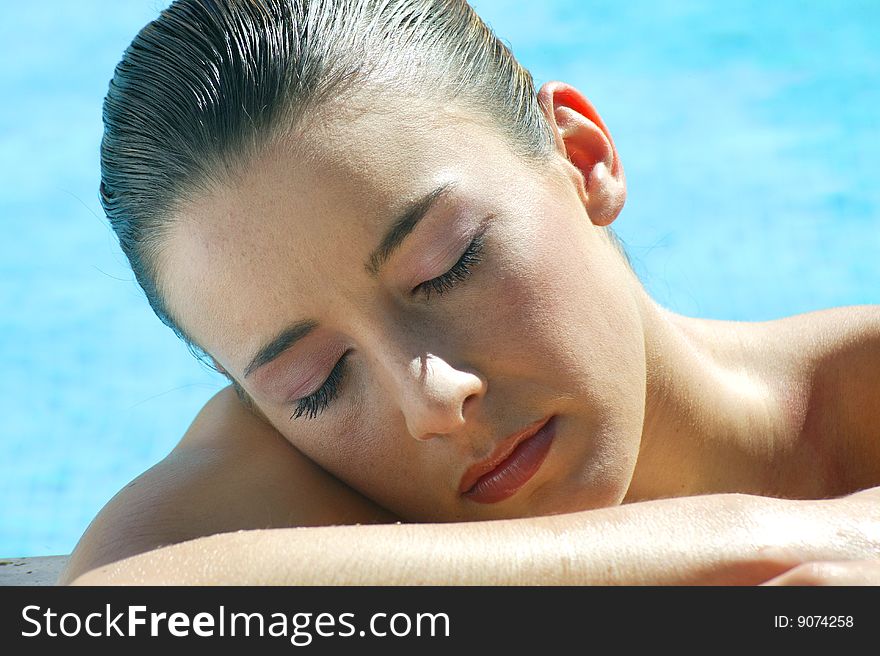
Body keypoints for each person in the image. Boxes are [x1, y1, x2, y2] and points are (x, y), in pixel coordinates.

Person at [60, 0, 880, 585]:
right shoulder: (317, 484)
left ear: (582, 156)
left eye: (447, 266)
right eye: (315, 383)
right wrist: (777, 536)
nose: (433, 401)